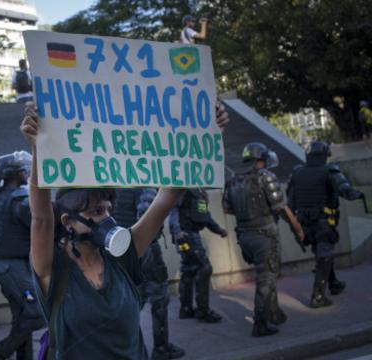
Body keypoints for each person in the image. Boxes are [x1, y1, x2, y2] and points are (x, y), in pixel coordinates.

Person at [21, 102, 229, 359]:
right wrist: (39, 149)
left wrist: (204, 134)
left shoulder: (122, 256)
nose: (108, 218)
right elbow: (41, 218)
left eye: (108, 209)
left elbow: (169, 194)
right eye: (96, 212)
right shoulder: (53, 269)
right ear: (67, 221)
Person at [222, 143, 305, 337]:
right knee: (266, 278)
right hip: (263, 235)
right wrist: (298, 228)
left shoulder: (233, 180)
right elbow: (281, 208)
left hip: (243, 235)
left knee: (267, 273)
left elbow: (226, 208)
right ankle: (260, 323)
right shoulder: (266, 176)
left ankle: (274, 313)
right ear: (260, 159)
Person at [0, 151, 45, 360]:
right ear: (15, 174)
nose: (26, 172)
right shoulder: (19, 199)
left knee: (21, 317)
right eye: (23, 170)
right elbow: (39, 225)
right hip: (14, 268)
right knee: (36, 314)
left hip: (2, 265)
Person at [287, 140, 364, 308]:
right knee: (325, 254)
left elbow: (290, 204)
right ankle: (318, 296)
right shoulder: (330, 170)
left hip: (304, 224)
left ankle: (333, 283)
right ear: (324, 155)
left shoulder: (297, 173)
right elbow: (345, 190)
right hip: (323, 222)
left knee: (321, 253)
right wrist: (359, 195)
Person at [112, 188, 186, 360]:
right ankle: (161, 348)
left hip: (121, 249)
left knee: (133, 298)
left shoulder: (118, 185)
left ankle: (124, 348)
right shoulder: (144, 184)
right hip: (144, 249)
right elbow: (146, 219)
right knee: (159, 296)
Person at [169, 188, 227, 323]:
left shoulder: (198, 192)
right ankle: (203, 311)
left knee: (188, 269)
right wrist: (178, 232)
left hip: (190, 235)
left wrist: (219, 230)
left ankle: (186, 308)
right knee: (204, 268)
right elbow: (174, 212)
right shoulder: (183, 190)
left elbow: (204, 215)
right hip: (186, 236)